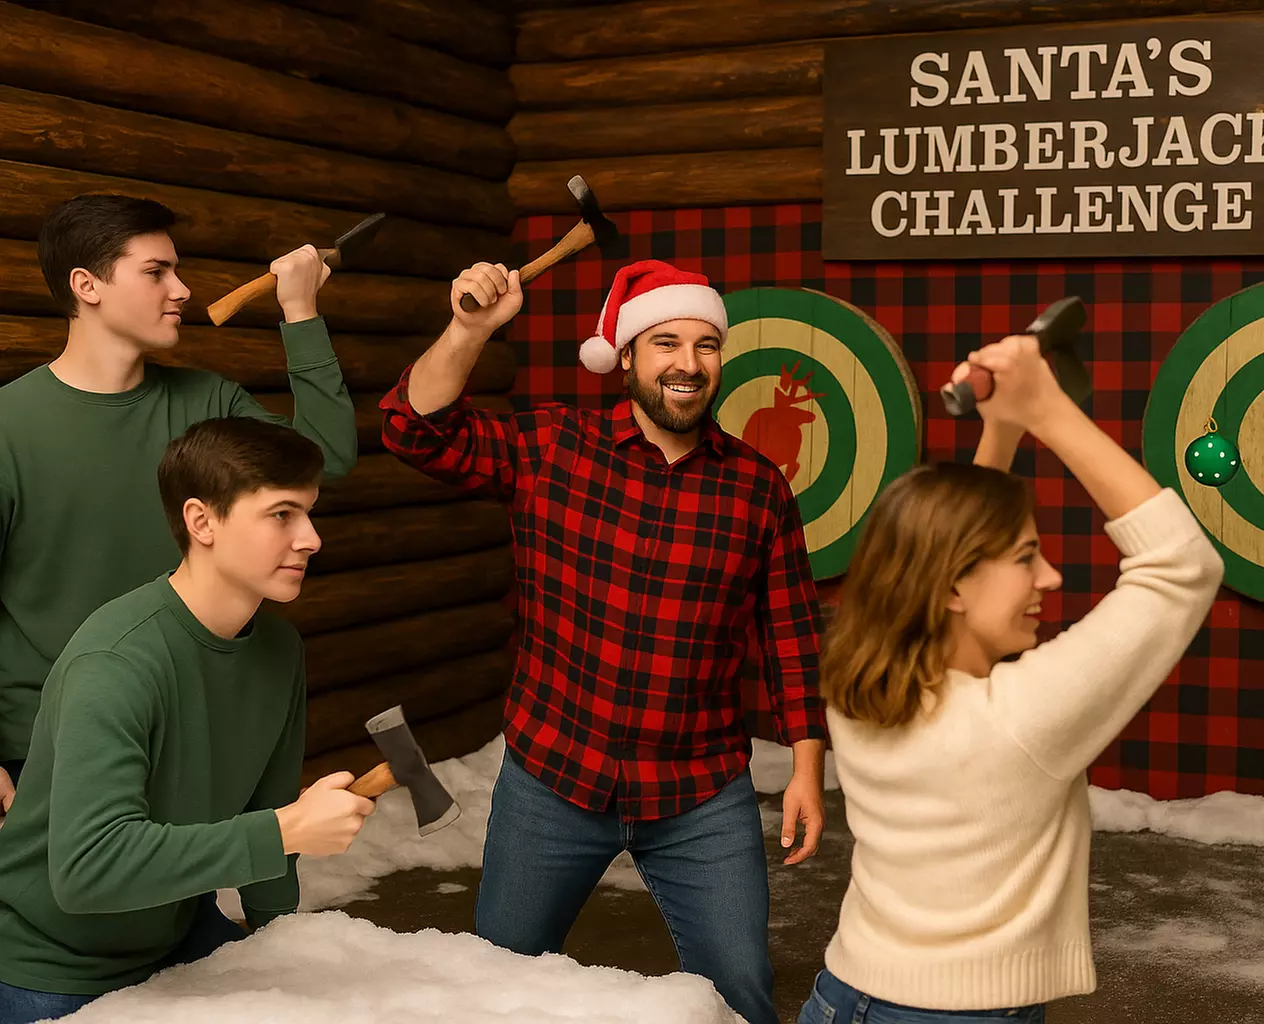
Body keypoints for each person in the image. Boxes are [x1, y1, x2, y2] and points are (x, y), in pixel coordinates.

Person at [379, 258, 827, 1024]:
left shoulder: (757, 486)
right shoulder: (555, 445)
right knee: (495, 989)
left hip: (698, 791)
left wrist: (808, 768)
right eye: (665, 343)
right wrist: (468, 329)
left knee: (744, 994)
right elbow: (413, 430)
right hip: (554, 776)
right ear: (624, 356)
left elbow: (790, 634)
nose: (688, 363)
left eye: (705, 345)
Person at [799, 331, 1225, 1023]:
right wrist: (1047, 411)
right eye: (1028, 557)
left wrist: (1001, 427)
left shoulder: (862, 681)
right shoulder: (1021, 717)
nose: (1049, 577)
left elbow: (940, 555)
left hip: (843, 998)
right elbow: (1182, 566)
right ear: (955, 586)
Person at [0, 417, 376, 1024]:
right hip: (55, 963)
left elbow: (269, 806)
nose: (310, 538)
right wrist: (283, 831)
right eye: (282, 514)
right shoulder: (115, 662)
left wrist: (283, 952)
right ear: (202, 521)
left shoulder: (280, 651)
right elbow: (88, 870)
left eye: (308, 513)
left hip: (175, 936)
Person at [0, 194, 358, 813]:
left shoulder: (208, 402)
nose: (182, 289)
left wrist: (300, 312)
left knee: (182, 905)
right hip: (45, 745)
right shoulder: (9, 425)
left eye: (177, 269)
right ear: (86, 285)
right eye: (155, 271)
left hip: (185, 723)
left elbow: (325, 458)